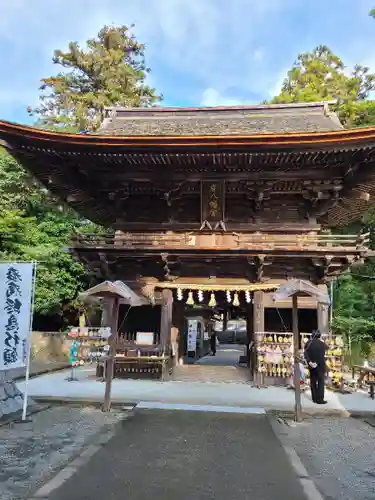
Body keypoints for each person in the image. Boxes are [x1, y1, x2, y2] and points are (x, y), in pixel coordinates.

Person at [304, 330, 329, 404]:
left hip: (312, 365)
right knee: (321, 382)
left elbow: (305, 353)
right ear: (319, 336)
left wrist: (309, 362)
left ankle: (314, 398)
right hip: (320, 365)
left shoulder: (308, 343)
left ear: (312, 335)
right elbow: (328, 348)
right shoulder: (322, 343)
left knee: (313, 381)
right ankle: (320, 399)